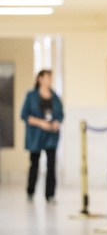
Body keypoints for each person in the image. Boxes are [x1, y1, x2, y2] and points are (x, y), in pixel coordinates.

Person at [21, 69, 63, 203]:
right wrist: (41, 123)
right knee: (35, 164)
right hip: (36, 135)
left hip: (51, 136)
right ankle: (30, 191)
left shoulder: (55, 96)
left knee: (51, 165)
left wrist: (56, 122)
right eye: (47, 77)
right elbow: (24, 115)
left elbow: (60, 114)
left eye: (50, 77)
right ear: (40, 79)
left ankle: (50, 195)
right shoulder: (31, 96)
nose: (49, 80)